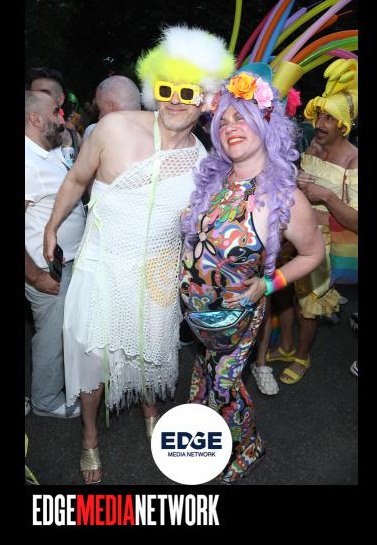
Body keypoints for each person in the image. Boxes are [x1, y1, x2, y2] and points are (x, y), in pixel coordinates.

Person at [43, 25, 235, 484]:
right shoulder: (113, 128)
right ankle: (90, 436)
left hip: (157, 276)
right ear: (153, 90)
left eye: (188, 92)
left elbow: (201, 229)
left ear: (206, 100)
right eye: (166, 89)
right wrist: (51, 226)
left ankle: (151, 412)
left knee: (150, 353)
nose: (175, 101)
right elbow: (76, 180)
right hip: (100, 267)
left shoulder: (203, 161)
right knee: (91, 360)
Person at [179, 64, 325, 484]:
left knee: (225, 387)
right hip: (196, 313)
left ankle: (247, 448)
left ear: (266, 123)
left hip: (235, 316)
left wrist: (267, 284)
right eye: (223, 120)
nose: (230, 127)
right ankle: (209, 431)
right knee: (207, 373)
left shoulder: (284, 197)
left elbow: (313, 254)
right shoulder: (214, 179)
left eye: (241, 117)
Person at [278, 58, 358, 385]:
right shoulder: (313, 146)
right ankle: (285, 345)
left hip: (328, 243)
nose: (320, 124)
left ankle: (302, 355)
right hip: (296, 231)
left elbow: (356, 221)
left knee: (307, 305)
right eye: (319, 115)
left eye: (329, 118)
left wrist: (325, 196)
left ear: (344, 125)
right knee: (282, 291)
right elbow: (299, 185)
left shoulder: (353, 160)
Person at [24, 90, 86, 417]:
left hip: (66, 262)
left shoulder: (47, 152)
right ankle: (46, 402)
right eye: (56, 113)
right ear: (36, 119)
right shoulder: (27, 161)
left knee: (62, 333)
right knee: (50, 338)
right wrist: (35, 276)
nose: (62, 118)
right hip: (46, 270)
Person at [83, 75, 141, 139]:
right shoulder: (148, 129)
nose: (99, 117)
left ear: (112, 107)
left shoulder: (94, 132)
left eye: (101, 110)